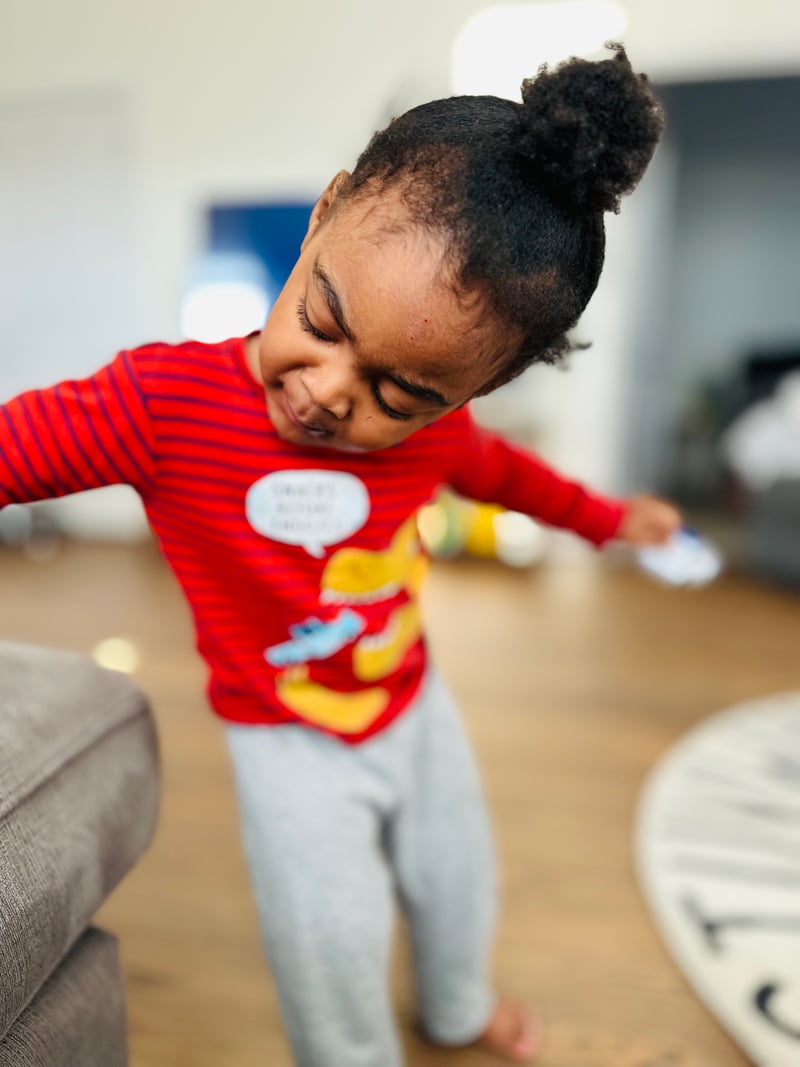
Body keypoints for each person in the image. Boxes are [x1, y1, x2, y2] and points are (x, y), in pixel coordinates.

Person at [0, 45, 680, 1066]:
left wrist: (603, 519)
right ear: (323, 213)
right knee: (329, 936)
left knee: (459, 871)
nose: (324, 390)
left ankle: (456, 1008)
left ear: (464, 394)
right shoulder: (160, 407)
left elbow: (508, 477)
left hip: (412, 696)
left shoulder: (442, 434)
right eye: (320, 320)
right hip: (287, 741)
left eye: (399, 395)